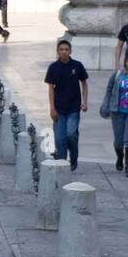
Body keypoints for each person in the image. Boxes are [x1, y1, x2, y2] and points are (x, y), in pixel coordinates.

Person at [45, 39, 89, 171]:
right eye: (61, 50)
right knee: (59, 139)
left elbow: (84, 83)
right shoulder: (53, 67)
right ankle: (62, 165)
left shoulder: (77, 65)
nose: (64, 52)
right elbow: (51, 88)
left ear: (70, 51)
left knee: (71, 134)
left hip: (74, 108)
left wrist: (85, 102)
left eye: (66, 50)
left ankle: (74, 157)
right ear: (58, 52)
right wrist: (52, 108)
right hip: (59, 108)